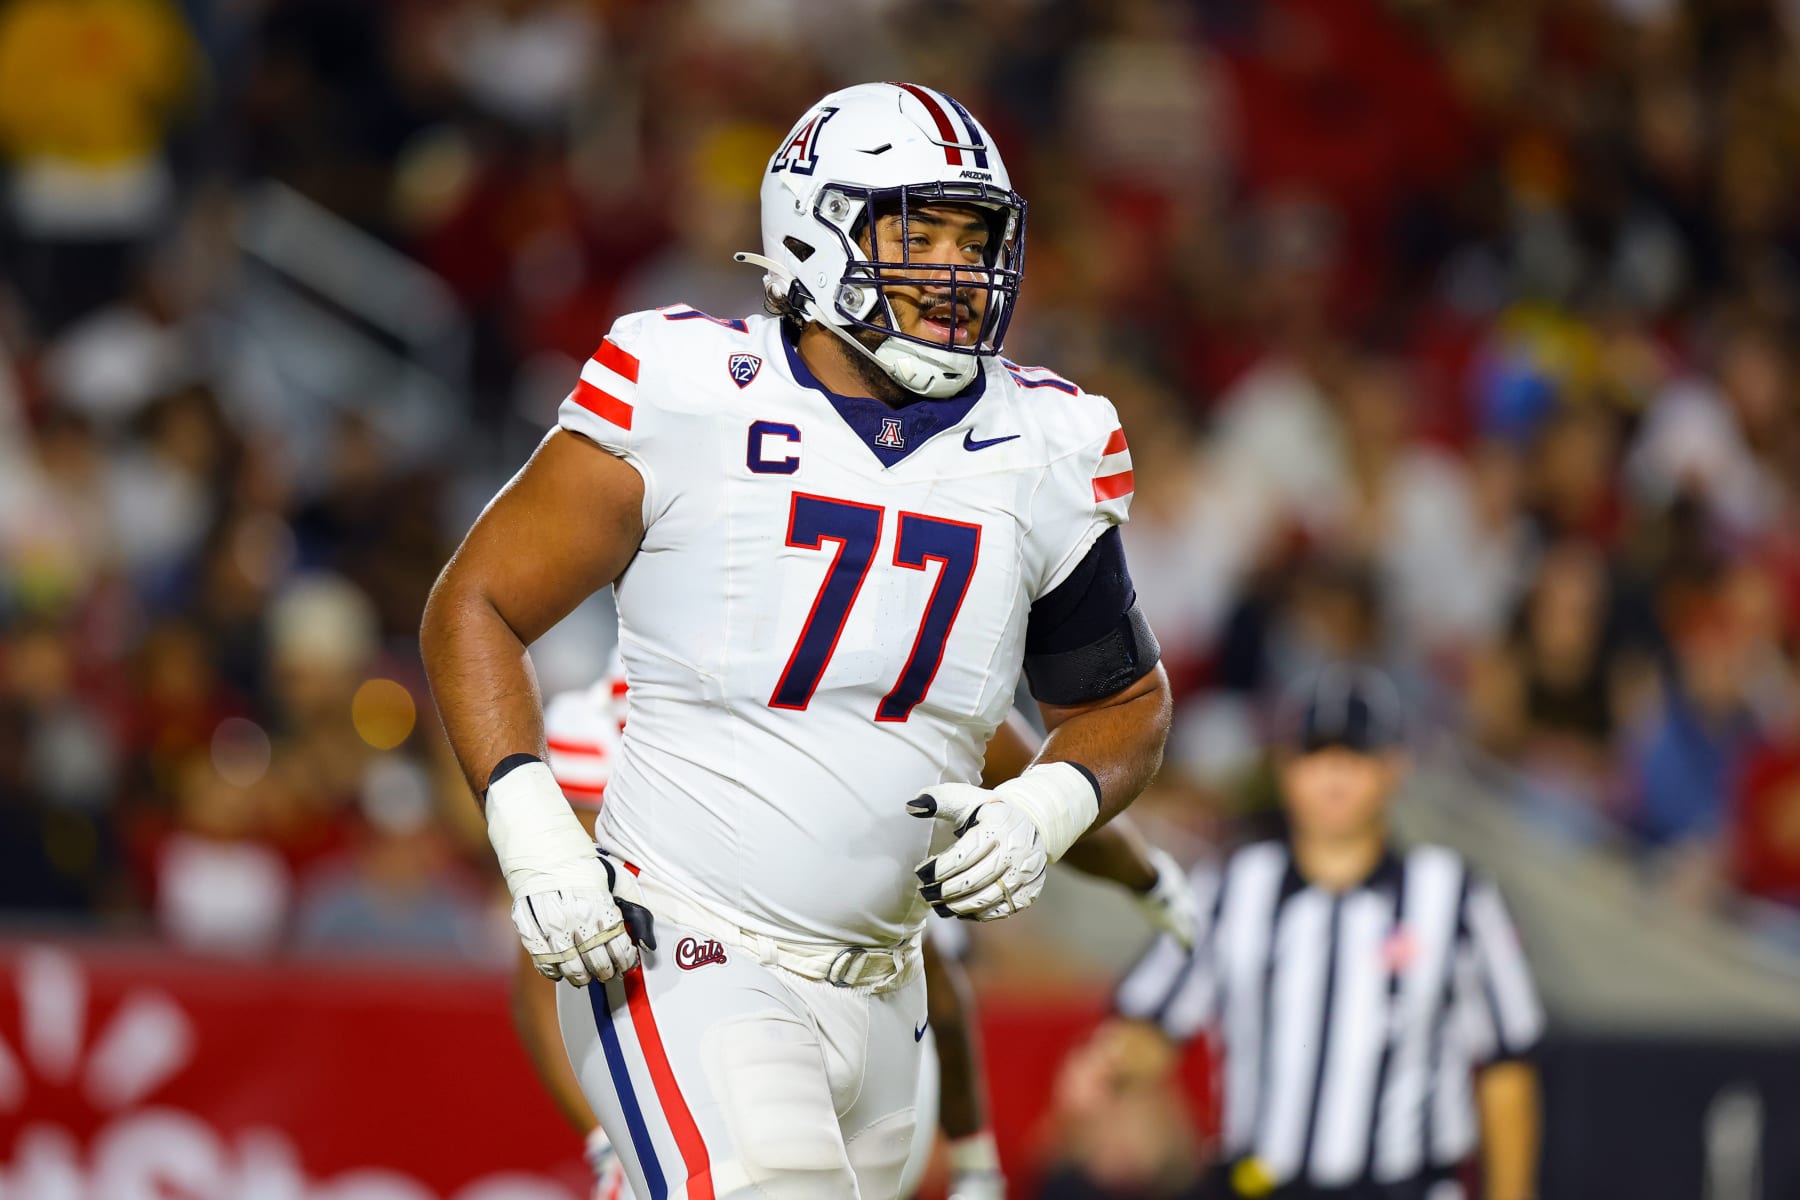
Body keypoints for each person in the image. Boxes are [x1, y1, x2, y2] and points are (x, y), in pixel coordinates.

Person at [422, 81, 1173, 1199]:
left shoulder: (1044, 442)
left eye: (976, 239)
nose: (958, 272)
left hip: (887, 991)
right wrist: (533, 828)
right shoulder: (686, 389)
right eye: (920, 233)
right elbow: (475, 602)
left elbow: (1121, 702)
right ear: (817, 226)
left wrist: (1046, 806)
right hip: (688, 948)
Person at [512, 662, 1197, 1200]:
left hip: (869, 1003)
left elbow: (1038, 783)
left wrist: (1147, 876)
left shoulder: (883, 679)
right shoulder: (614, 723)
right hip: (698, 1018)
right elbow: (554, 957)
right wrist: (607, 1135)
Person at [1092, 667, 1543, 1200]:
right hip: (1261, 1184)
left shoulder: (1456, 897)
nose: (1334, 773)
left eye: (1355, 754)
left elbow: (1506, 1070)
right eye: (1315, 753)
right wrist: (1115, 1067)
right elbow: (1149, 1026)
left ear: (1395, 767)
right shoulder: (1230, 888)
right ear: (1284, 767)